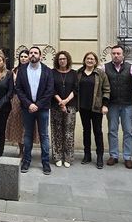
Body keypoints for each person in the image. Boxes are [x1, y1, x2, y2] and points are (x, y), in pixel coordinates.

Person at [15, 46, 54, 175]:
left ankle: (45, 163)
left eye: (35, 53)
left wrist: (37, 104)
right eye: (31, 53)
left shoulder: (47, 71)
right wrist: (29, 104)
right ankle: (26, 161)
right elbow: (19, 89)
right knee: (27, 135)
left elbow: (49, 90)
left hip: (42, 109)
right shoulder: (22, 70)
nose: (32, 55)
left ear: (40, 55)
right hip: (27, 109)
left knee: (44, 135)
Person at [103, 45, 132, 169]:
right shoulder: (104, 68)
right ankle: (114, 155)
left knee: (128, 131)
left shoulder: (131, 68)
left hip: (127, 104)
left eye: (118, 53)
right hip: (112, 105)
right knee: (112, 130)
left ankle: (127, 157)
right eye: (113, 53)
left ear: (123, 55)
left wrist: (130, 93)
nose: (116, 55)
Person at [77, 51, 110, 169]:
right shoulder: (79, 73)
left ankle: (100, 156)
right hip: (83, 107)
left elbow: (106, 90)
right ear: (84, 60)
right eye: (88, 58)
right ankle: (87, 155)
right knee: (86, 130)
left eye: (92, 59)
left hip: (96, 107)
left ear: (95, 61)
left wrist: (105, 105)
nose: (90, 60)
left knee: (97, 131)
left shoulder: (100, 74)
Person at [6, 49, 38, 156]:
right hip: (16, 99)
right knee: (18, 125)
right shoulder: (13, 71)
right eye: (21, 57)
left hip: (29, 99)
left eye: (25, 56)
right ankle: (21, 151)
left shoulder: (32, 69)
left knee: (29, 125)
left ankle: (28, 151)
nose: (23, 58)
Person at [51, 51, 78, 168]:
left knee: (68, 133)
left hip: (70, 106)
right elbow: (51, 88)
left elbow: (76, 89)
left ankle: (68, 157)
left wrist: (66, 101)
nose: (62, 61)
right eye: (60, 59)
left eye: (64, 59)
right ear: (57, 60)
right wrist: (60, 102)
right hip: (55, 106)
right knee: (56, 131)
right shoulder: (52, 73)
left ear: (68, 60)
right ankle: (57, 156)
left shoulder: (74, 73)